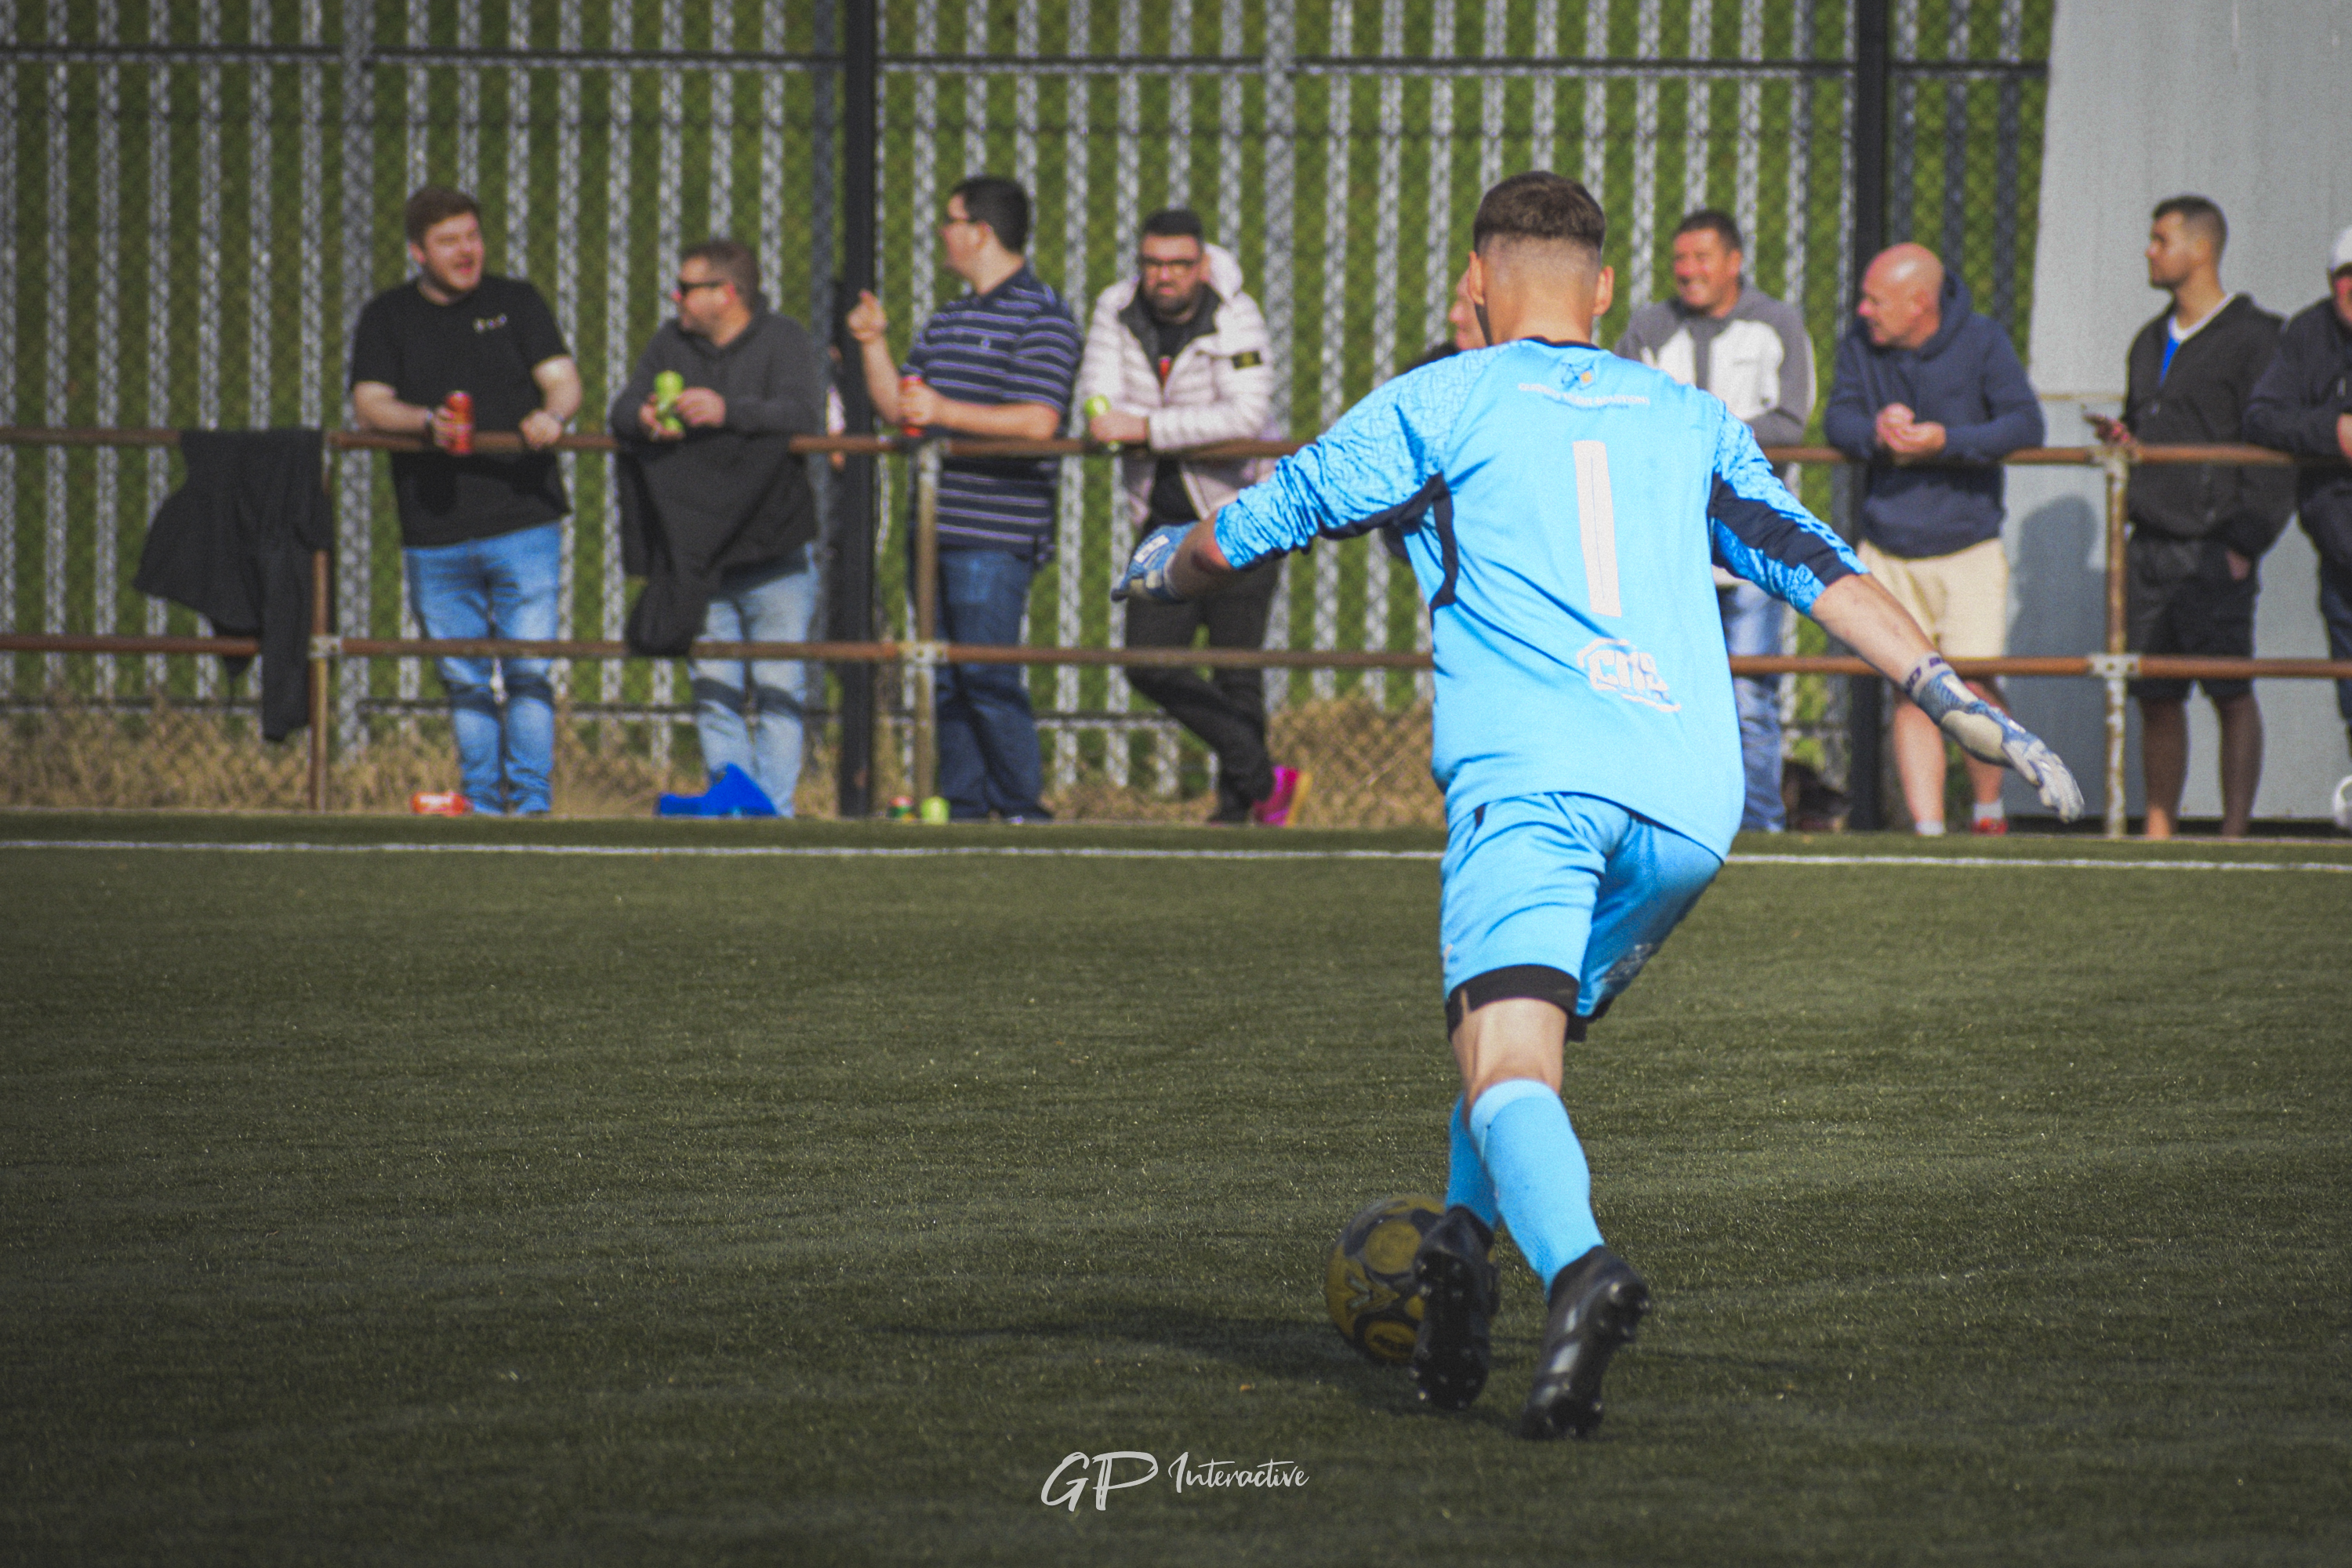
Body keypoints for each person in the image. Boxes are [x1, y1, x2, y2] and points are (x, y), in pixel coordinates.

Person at [1113, 172, 2082, 1440]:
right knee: (1517, 1035)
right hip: (1689, 806)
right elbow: (1815, 563)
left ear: (1476, 282)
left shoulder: (1438, 400)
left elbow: (1256, 524)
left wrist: (1162, 569)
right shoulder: (1685, 416)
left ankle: (1579, 1271)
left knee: (1509, 1057)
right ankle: (1462, 1255)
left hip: (1537, 779)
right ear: (1610, 289)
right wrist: (1950, 693)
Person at [845, 176, 1082, 822]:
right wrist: (873, 345)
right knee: (944, 675)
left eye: (950, 221)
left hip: (995, 533)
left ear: (981, 231)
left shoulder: (1043, 315)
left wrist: (946, 409)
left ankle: (1021, 806)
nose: (941, 234)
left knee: (985, 673)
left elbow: (1038, 422)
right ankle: (966, 805)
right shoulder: (949, 317)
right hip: (934, 527)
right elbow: (902, 406)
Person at [350, 186, 582, 816]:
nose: (466, 251)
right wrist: (424, 422)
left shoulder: (516, 302)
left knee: (529, 669)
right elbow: (370, 403)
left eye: (472, 236)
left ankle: (531, 804)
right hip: (435, 528)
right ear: (417, 252)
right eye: (449, 241)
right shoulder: (388, 316)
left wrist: (552, 417)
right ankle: (481, 802)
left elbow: (562, 380)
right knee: (463, 676)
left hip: (523, 518)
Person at [1076, 209, 1301, 826]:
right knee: (1147, 660)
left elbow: (1246, 418)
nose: (1164, 276)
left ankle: (1240, 809)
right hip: (1162, 520)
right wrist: (1104, 417)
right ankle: (1264, 777)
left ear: (1201, 265)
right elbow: (1097, 393)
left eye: (1178, 264)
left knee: (1237, 668)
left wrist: (1145, 428)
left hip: (1244, 511)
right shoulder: (1115, 309)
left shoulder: (1236, 315)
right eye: (1152, 263)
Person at [2088, 198, 2294, 840]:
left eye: (2161, 239)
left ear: (2201, 249)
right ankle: (2158, 829)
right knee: (2156, 693)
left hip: (2215, 548)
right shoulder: (2150, 339)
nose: (2149, 251)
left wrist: (2246, 540)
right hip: (2149, 543)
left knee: (2231, 690)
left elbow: (2272, 450)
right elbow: (2155, 423)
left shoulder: (2259, 337)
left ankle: (2235, 832)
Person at [1825, 243, 2045, 835]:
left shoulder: (1983, 341)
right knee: (1912, 687)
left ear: (1919, 303)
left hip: (1968, 545)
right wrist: (1876, 431)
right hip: (1889, 545)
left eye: (1876, 300)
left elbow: (2025, 423)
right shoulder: (1859, 345)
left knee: (1973, 681)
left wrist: (1946, 440)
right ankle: (1928, 829)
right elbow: (1836, 419)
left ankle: (1988, 811)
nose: (1863, 310)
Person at [608, 238, 831, 818]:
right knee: (713, 686)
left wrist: (728, 411)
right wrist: (645, 417)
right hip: (699, 550)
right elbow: (623, 405)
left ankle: (773, 810)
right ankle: (734, 804)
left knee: (780, 685)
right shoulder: (671, 341)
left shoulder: (782, 339)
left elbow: (804, 413)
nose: (676, 298)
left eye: (687, 288)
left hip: (772, 545)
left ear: (726, 295)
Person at [1615, 209, 1817, 833]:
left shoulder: (1777, 323)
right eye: (1680, 260)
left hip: (1753, 537)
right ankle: (1679, 818)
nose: (1688, 272)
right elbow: (1624, 411)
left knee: (1750, 695)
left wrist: (1703, 435)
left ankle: (1760, 826)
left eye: (1702, 258)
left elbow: (1791, 421)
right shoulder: (1649, 327)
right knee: (1663, 686)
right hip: (1669, 539)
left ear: (1733, 261)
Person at [2245, 223, 2352, 831]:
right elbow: (2263, 417)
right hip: (2343, 553)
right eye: (2347, 276)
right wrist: (2334, 433)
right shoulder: (2310, 333)